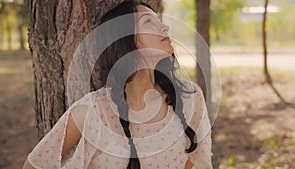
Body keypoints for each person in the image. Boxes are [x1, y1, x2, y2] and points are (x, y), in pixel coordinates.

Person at [22, 1, 212, 169]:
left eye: (159, 20)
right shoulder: (93, 111)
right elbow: (35, 164)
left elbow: (191, 159)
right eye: (148, 22)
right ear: (124, 38)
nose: (165, 27)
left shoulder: (189, 96)